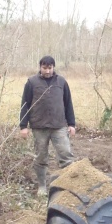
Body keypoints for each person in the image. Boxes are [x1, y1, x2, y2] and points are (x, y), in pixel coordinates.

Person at [19, 55, 76, 195]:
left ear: (53, 67)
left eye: (50, 68)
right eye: (44, 68)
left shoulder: (61, 82)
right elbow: (25, 104)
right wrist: (23, 126)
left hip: (59, 126)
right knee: (41, 157)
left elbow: (68, 103)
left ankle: (68, 186)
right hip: (39, 126)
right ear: (40, 67)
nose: (47, 71)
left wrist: (72, 124)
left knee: (66, 155)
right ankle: (42, 186)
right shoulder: (32, 82)